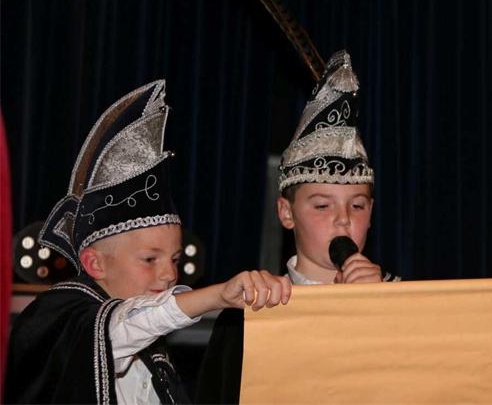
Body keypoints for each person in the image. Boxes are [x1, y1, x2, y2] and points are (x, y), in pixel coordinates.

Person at [4, 80, 291, 405]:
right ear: (95, 263)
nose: (169, 274)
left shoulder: (155, 355)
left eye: (175, 259)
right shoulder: (58, 321)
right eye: (150, 259)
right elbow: (123, 326)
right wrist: (217, 295)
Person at [196, 50, 399, 404]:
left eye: (357, 205)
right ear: (286, 213)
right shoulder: (249, 316)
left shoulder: (405, 304)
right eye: (322, 205)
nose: (343, 218)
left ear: (371, 212)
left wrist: (377, 311)